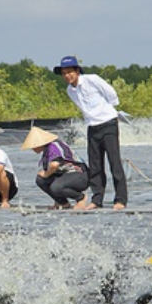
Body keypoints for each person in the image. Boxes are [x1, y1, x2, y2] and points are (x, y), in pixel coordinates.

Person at [54, 55, 128, 210]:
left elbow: (112, 94)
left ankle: (120, 200)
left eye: (70, 72)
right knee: (95, 165)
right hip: (92, 127)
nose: (67, 76)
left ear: (77, 70)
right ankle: (97, 199)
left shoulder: (91, 79)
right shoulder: (70, 91)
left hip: (108, 123)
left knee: (114, 162)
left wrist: (109, 111)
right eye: (64, 73)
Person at [21, 126, 90, 210]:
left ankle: (80, 198)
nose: (32, 148)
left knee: (56, 187)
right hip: (65, 175)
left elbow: (55, 165)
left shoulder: (54, 147)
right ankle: (62, 202)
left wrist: (46, 174)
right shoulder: (46, 150)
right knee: (40, 180)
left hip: (79, 175)